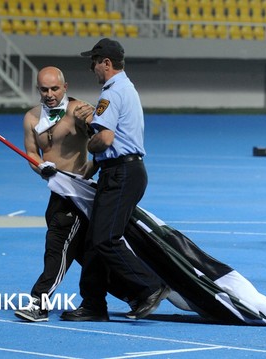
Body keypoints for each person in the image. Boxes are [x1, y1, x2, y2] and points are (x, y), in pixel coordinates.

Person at [61, 38, 170, 322]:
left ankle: (149, 288)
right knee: (94, 242)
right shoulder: (126, 89)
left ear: (106, 63)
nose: (91, 69)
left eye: (93, 62)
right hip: (122, 171)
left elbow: (106, 139)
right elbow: (115, 141)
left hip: (122, 173)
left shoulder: (112, 93)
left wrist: (88, 137)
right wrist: (89, 171)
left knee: (105, 239)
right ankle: (93, 303)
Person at [14, 66, 95, 322]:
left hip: (77, 192)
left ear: (65, 86)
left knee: (56, 247)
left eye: (54, 88)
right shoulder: (31, 118)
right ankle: (139, 291)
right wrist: (40, 166)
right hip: (56, 192)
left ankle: (39, 303)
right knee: (87, 252)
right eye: (44, 89)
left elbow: (104, 142)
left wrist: (87, 173)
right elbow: (30, 152)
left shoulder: (80, 111)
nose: (49, 94)